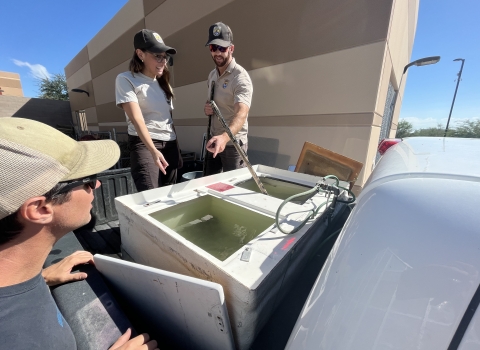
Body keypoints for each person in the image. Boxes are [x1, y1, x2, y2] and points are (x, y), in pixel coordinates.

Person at [0, 118, 158, 350]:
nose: (97, 185)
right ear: (40, 209)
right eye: (87, 181)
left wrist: (40, 277)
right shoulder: (22, 336)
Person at [116, 29, 182, 191]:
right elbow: (136, 119)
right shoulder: (126, 79)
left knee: (169, 196)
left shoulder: (163, 83)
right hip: (145, 146)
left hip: (170, 145)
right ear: (140, 54)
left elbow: (168, 119)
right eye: (157, 56)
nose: (163, 61)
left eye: (164, 57)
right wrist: (153, 151)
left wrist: (176, 150)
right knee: (150, 197)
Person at [203, 22, 253, 175]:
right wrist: (208, 108)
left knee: (233, 188)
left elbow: (241, 114)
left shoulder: (240, 78)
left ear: (231, 48)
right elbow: (215, 104)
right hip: (213, 141)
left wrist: (224, 138)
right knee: (209, 186)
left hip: (233, 145)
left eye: (222, 48)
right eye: (213, 48)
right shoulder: (212, 75)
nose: (217, 53)